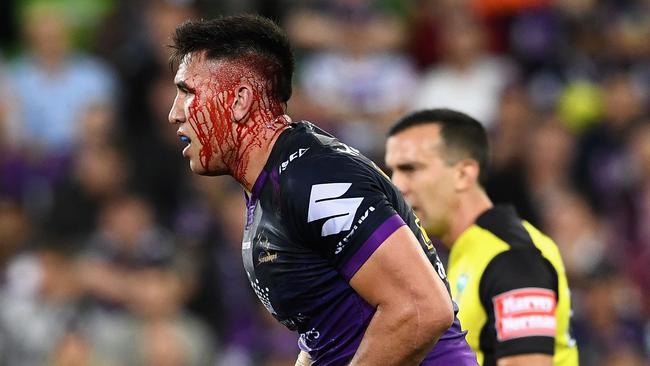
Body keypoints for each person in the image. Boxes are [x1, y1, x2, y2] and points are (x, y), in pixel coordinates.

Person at [167, 14, 477, 366]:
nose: (175, 114)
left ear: (239, 100)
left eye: (187, 92)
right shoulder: (276, 182)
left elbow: (423, 309)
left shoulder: (314, 177)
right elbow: (325, 338)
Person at [384, 109, 579, 366]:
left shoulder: (510, 256)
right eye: (392, 171)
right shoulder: (468, 252)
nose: (396, 185)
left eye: (410, 168)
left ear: (464, 174)